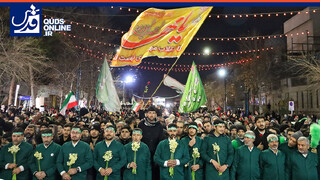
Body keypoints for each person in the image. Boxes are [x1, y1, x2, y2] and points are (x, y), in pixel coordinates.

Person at [138, 106, 165, 180]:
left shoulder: (159, 125)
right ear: (146, 114)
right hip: (143, 152)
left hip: (155, 152)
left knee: (155, 172)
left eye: (153, 113)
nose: (151, 115)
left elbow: (161, 139)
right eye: (150, 113)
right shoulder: (141, 124)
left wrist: (159, 153)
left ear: (156, 115)